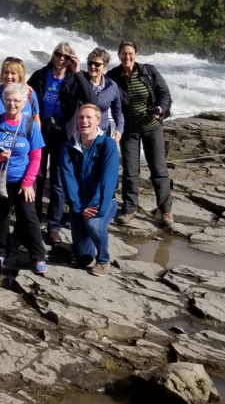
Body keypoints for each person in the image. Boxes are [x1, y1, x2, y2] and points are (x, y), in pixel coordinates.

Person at [28, 41, 95, 242]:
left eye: (66, 56)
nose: (61, 59)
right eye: (58, 54)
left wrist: (78, 72)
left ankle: (54, 226)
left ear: (72, 59)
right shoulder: (41, 74)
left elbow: (90, 98)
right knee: (37, 178)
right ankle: (34, 219)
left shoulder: (74, 79)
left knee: (57, 182)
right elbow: (24, 94)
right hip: (40, 133)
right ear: (53, 54)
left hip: (63, 136)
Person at [106, 40, 174, 227]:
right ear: (118, 54)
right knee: (130, 171)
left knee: (159, 170)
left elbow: (164, 93)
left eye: (130, 53)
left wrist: (160, 108)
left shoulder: (148, 71)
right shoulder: (112, 75)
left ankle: (166, 210)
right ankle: (128, 210)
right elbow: (101, 92)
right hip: (128, 130)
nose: (127, 57)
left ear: (136, 54)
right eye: (123, 53)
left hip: (152, 127)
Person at [0, 83, 47, 275]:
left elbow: (37, 156)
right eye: (8, 100)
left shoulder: (30, 125)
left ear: (24, 103)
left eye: (16, 100)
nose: (11, 104)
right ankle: (0, 252)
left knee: (28, 216)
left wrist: (29, 182)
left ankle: (38, 256)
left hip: (23, 180)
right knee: (0, 216)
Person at [59, 104, 120, 276]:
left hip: (102, 203)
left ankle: (103, 259)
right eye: (80, 117)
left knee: (93, 224)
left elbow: (109, 180)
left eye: (88, 117)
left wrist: (100, 208)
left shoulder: (107, 144)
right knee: (83, 259)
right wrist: (79, 209)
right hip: (79, 207)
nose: (84, 121)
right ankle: (90, 238)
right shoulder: (68, 148)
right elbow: (68, 182)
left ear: (98, 121)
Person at [0, 57, 41, 129]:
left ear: (20, 75)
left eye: (13, 73)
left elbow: (36, 120)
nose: (9, 76)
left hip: (23, 138)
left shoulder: (30, 94)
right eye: (6, 72)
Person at [80, 48, 123, 140]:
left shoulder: (111, 86)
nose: (93, 66)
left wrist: (119, 129)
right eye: (90, 63)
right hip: (81, 134)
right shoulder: (79, 81)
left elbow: (117, 111)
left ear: (105, 66)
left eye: (97, 64)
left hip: (103, 133)